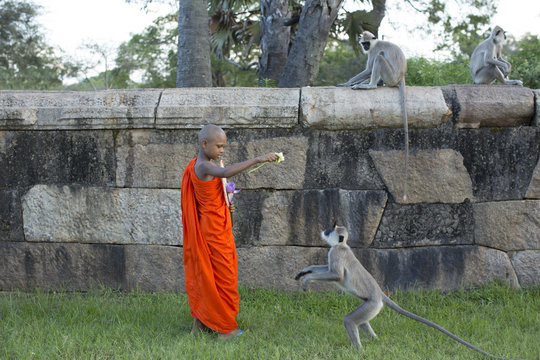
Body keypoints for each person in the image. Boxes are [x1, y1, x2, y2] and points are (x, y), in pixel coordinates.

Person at [181, 124, 278, 339]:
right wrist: (258, 159)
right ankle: (225, 329)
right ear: (204, 144)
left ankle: (200, 325)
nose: (222, 150)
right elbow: (224, 172)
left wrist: (227, 205)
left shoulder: (204, 163)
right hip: (212, 230)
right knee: (223, 276)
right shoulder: (202, 166)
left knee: (211, 277)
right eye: (219, 146)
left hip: (216, 223)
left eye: (224, 146)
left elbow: (214, 191)